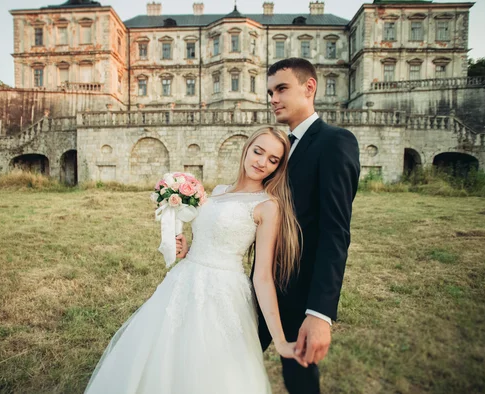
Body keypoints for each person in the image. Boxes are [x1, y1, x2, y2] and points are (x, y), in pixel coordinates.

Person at [85, 127, 303, 394]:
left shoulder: (268, 206)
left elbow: (263, 276)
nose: (261, 162)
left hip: (222, 292)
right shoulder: (220, 190)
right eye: (258, 151)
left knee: (209, 368)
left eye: (273, 159)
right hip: (184, 279)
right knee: (164, 353)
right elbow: (208, 234)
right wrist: (187, 248)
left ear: (279, 167)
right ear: (247, 149)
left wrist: (280, 340)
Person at [263, 58, 360, 393]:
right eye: (270, 92)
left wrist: (319, 313)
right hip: (258, 285)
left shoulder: (335, 141)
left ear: (309, 87)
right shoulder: (279, 148)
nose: (272, 98)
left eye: (281, 89)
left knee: (300, 381)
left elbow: (336, 232)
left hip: (298, 293)